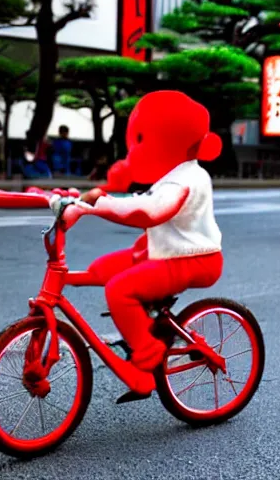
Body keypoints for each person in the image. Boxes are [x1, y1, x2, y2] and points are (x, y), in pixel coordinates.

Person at [52, 91, 224, 378]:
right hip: (163, 251)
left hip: (192, 258)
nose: (134, 151)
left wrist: (95, 206)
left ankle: (146, 354)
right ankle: (137, 322)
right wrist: (83, 197)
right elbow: (141, 198)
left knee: (119, 290)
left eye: (142, 140)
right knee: (104, 268)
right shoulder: (172, 173)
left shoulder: (188, 179)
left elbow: (151, 211)